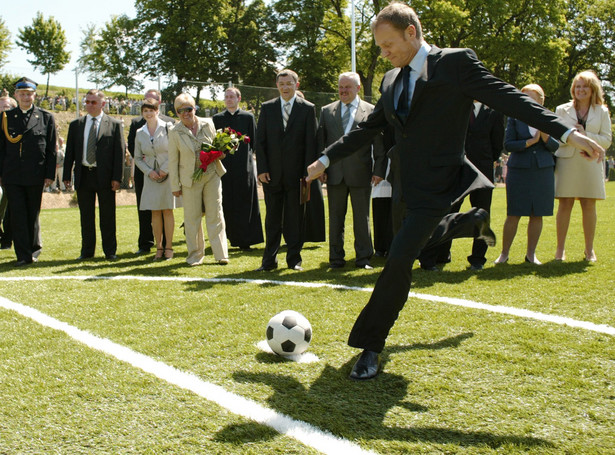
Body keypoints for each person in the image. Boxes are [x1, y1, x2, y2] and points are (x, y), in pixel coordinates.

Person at [306, 2, 604, 380]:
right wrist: (326, 160)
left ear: (411, 33)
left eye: (388, 45)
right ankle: (471, 221)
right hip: (405, 186)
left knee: (397, 261)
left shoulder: (456, 64)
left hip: (441, 183)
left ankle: (370, 346)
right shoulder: (391, 80)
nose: (383, 53)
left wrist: (566, 131)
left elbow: (508, 96)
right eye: (380, 47)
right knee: (411, 246)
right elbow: (371, 127)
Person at [420, 101, 504, 271]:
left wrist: (485, 159)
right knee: (448, 211)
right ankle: (440, 255)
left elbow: (497, 144)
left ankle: (477, 259)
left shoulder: (494, 111)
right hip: (455, 169)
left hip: (483, 170)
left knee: (482, 212)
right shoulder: (454, 106)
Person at [318, 72, 386, 269]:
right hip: (334, 174)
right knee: (335, 219)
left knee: (362, 219)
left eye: (347, 87)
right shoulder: (326, 111)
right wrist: (321, 168)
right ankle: (336, 258)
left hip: (361, 173)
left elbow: (379, 145)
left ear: (357, 88)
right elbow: (320, 142)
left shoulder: (371, 110)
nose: (343, 90)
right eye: (340, 87)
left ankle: (363, 258)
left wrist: (379, 170)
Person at [255, 69, 318, 271]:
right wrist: (262, 169)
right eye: (281, 84)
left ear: (296, 85)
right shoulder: (267, 108)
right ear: (277, 86)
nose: (285, 87)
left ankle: (294, 261)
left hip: (297, 176)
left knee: (294, 220)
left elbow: (311, 143)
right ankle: (268, 262)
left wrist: (308, 174)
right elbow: (260, 141)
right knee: (272, 220)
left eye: (289, 83)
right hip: (272, 176)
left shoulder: (308, 109)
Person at [494, 84, 559, 265]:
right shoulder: (515, 117)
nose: (527, 101)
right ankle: (504, 254)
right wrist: (529, 142)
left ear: (541, 100)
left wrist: (545, 137)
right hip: (519, 170)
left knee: (537, 214)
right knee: (514, 213)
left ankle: (531, 255)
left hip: (542, 170)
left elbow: (556, 146)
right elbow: (508, 145)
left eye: (531, 98)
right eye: (524, 97)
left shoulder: (549, 117)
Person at [554, 70, 612, 262]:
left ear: (592, 89)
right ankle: (560, 250)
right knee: (565, 204)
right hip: (567, 161)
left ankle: (589, 250)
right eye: (577, 86)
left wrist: (585, 134)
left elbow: (606, 141)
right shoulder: (562, 109)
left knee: (589, 204)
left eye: (585, 86)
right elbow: (556, 138)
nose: (581, 90)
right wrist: (573, 138)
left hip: (591, 163)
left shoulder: (602, 111)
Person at [63, 89, 125, 261]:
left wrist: (117, 178)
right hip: (84, 174)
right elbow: (70, 152)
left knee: (107, 216)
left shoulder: (113, 124)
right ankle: (87, 251)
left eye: (93, 102)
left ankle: (110, 251)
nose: (89, 105)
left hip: (105, 176)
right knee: (86, 216)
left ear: (102, 104)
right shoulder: (76, 125)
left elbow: (119, 153)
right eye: (87, 101)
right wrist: (67, 175)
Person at [168, 93, 229, 266]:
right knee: (192, 217)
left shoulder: (208, 123)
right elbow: (173, 161)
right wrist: (175, 185)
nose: (185, 113)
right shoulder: (174, 132)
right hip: (190, 179)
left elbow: (218, 147)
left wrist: (221, 152)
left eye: (189, 109)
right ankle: (195, 255)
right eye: (181, 110)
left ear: (194, 108)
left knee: (215, 213)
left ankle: (221, 254)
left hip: (211, 174)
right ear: (177, 113)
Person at [0, 77, 56, 266]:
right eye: (22, 94)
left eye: (29, 94)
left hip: (36, 174)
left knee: (33, 213)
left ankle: (34, 249)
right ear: (16, 95)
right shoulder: (6, 117)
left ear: (34, 95)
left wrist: (49, 174)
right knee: (17, 214)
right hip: (12, 175)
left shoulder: (46, 117)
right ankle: (22, 255)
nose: (25, 97)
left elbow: (50, 149)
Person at [212, 87, 263, 250]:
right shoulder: (217, 118)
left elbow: (254, 142)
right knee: (226, 202)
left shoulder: (248, 117)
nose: (229, 99)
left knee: (245, 201)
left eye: (232, 97)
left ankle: (246, 239)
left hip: (244, 166)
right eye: (226, 97)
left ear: (238, 98)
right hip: (224, 167)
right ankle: (227, 238)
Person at [127, 89, 175, 255]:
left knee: (167, 210)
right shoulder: (139, 130)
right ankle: (157, 247)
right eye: (145, 110)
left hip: (167, 175)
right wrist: (149, 172)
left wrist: (164, 169)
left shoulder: (169, 125)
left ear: (158, 108)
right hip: (149, 176)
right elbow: (136, 155)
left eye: (151, 109)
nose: (148, 113)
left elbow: (175, 151)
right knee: (153, 211)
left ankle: (169, 247)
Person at [0, 92, 18, 250]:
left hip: (9, 174)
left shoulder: (14, 127)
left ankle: (7, 239)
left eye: (5, 107)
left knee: (10, 209)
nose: (2, 111)